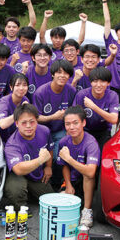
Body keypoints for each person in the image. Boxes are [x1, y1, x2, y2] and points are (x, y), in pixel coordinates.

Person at [33, 59, 76, 189]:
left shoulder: (71, 91)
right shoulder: (41, 92)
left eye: (66, 73)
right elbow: (36, 118)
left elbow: (73, 113)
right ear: (52, 74)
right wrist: (53, 117)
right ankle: (38, 182)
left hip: (60, 131)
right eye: (59, 72)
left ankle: (56, 183)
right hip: (42, 131)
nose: (62, 76)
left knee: (59, 155)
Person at [3, 103, 54, 211]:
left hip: (36, 173)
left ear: (37, 120)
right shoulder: (12, 144)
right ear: (17, 123)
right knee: (15, 190)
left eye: (32, 122)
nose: (28, 126)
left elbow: (49, 149)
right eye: (24, 123)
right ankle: (22, 207)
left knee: (51, 199)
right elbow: (18, 169)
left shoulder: (44, 131)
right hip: (19, 175)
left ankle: (29, 193)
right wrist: (40, 160)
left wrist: (48, 166)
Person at [57, 106, 100, 227]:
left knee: (88, 175)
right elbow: (64, 166)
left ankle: (87, 210)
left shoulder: (90, 143)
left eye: (75, 123)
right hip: (72, 180)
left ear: (83, 123)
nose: (71, 127)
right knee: (59, 205)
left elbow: (91, 172)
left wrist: (69, 159)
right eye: (68, 124)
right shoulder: (63, 142)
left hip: (87, 182)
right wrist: (68, 185)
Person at [73, 67, 119, 149]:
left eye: (102, 81)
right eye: (95, 81)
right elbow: (74, 117)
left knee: (102, 157)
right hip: (85, 130)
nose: (98, 85)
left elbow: (114, 119)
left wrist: (93, 107)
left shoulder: (112, 95)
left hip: (103, 131)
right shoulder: (82, 95)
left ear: (108, 83)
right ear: (91, 82)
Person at [0, 73, 30, 143]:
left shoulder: (25, 100)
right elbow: (3, 125)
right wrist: (20, 110)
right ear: (11, 87)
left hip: (14, 137)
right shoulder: (3, 102)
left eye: (24, 85)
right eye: (17, 85)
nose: (21, 88)